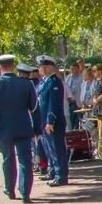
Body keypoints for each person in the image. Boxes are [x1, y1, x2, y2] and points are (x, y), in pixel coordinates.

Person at [0, 52, 39, 202]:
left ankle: (9, 189)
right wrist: (37, 129)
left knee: (8, 160)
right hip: (24, 128)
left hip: (4, 130)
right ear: (13, 66)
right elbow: (34, 108)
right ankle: (25, 192)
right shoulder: (26, 84)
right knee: (25, 161)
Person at [36, 55, 70, 186]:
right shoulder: (45, 82)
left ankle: (61, 175)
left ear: (51, 67)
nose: (42, 69)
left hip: (53, 122)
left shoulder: (54, 82)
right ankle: (54, 171)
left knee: (57, 149)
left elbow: (54, 104)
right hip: (44, 121)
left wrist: (50, 121)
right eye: (41, 66)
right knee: (50, 149)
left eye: (45, 66)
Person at [64, 61, 87, 130]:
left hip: (78, 103)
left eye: (73, 69)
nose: (72, 70)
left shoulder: (82, 77)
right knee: (70, 121)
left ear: (77, 69)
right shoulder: (68, 77)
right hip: (70, 103)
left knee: (78, 122)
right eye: (71, 69)